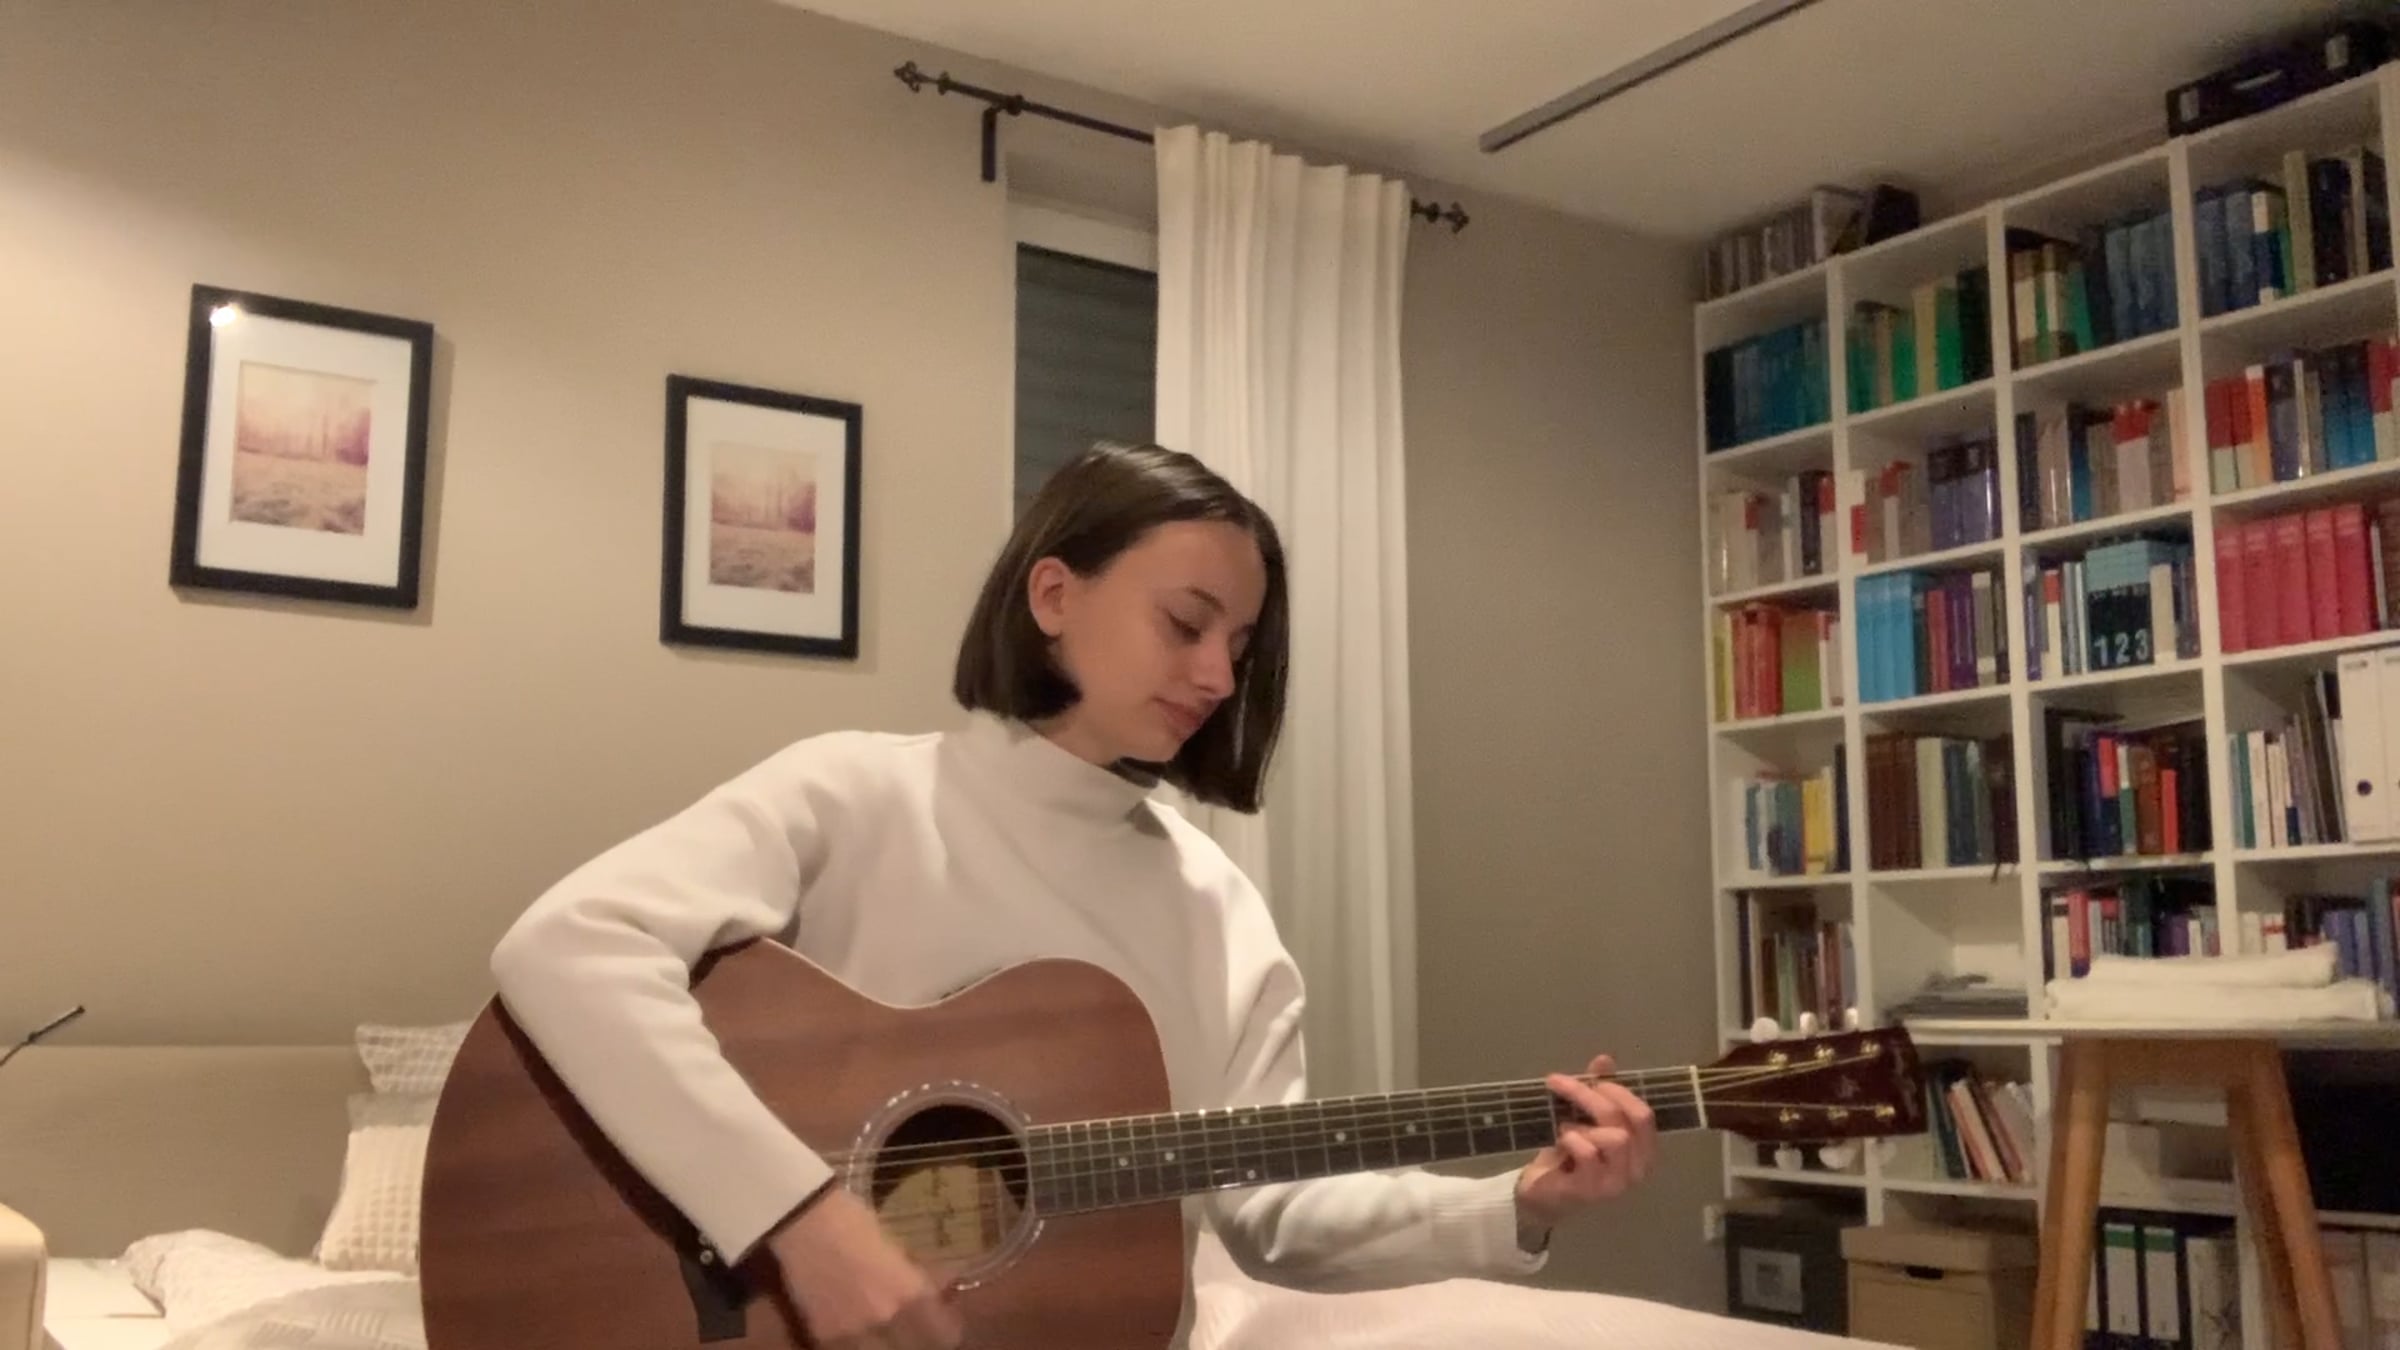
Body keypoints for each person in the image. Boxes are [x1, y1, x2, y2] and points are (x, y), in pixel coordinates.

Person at [489, 442, 1884, 1350]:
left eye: (1242, 643)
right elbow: (566, 946)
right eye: (1186, 622)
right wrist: (804, 1220)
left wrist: (1515, 1200)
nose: (1219, 674)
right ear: (1053, 594)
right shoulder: (854, 792)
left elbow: (1270, 1216)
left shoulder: (1215, 907)